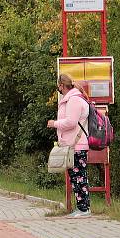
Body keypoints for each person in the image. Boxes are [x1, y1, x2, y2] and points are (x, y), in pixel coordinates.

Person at [47, 74, 91, 218]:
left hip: (77, 145)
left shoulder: (74, 100)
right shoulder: (74, 98)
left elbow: (71, 122)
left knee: (79, 177)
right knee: (76, 177)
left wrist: (55, 123)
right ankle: (82, 208)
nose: (58, 89)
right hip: (74, 144)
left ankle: (84, 209)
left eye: (58, 86)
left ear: (61, 85)